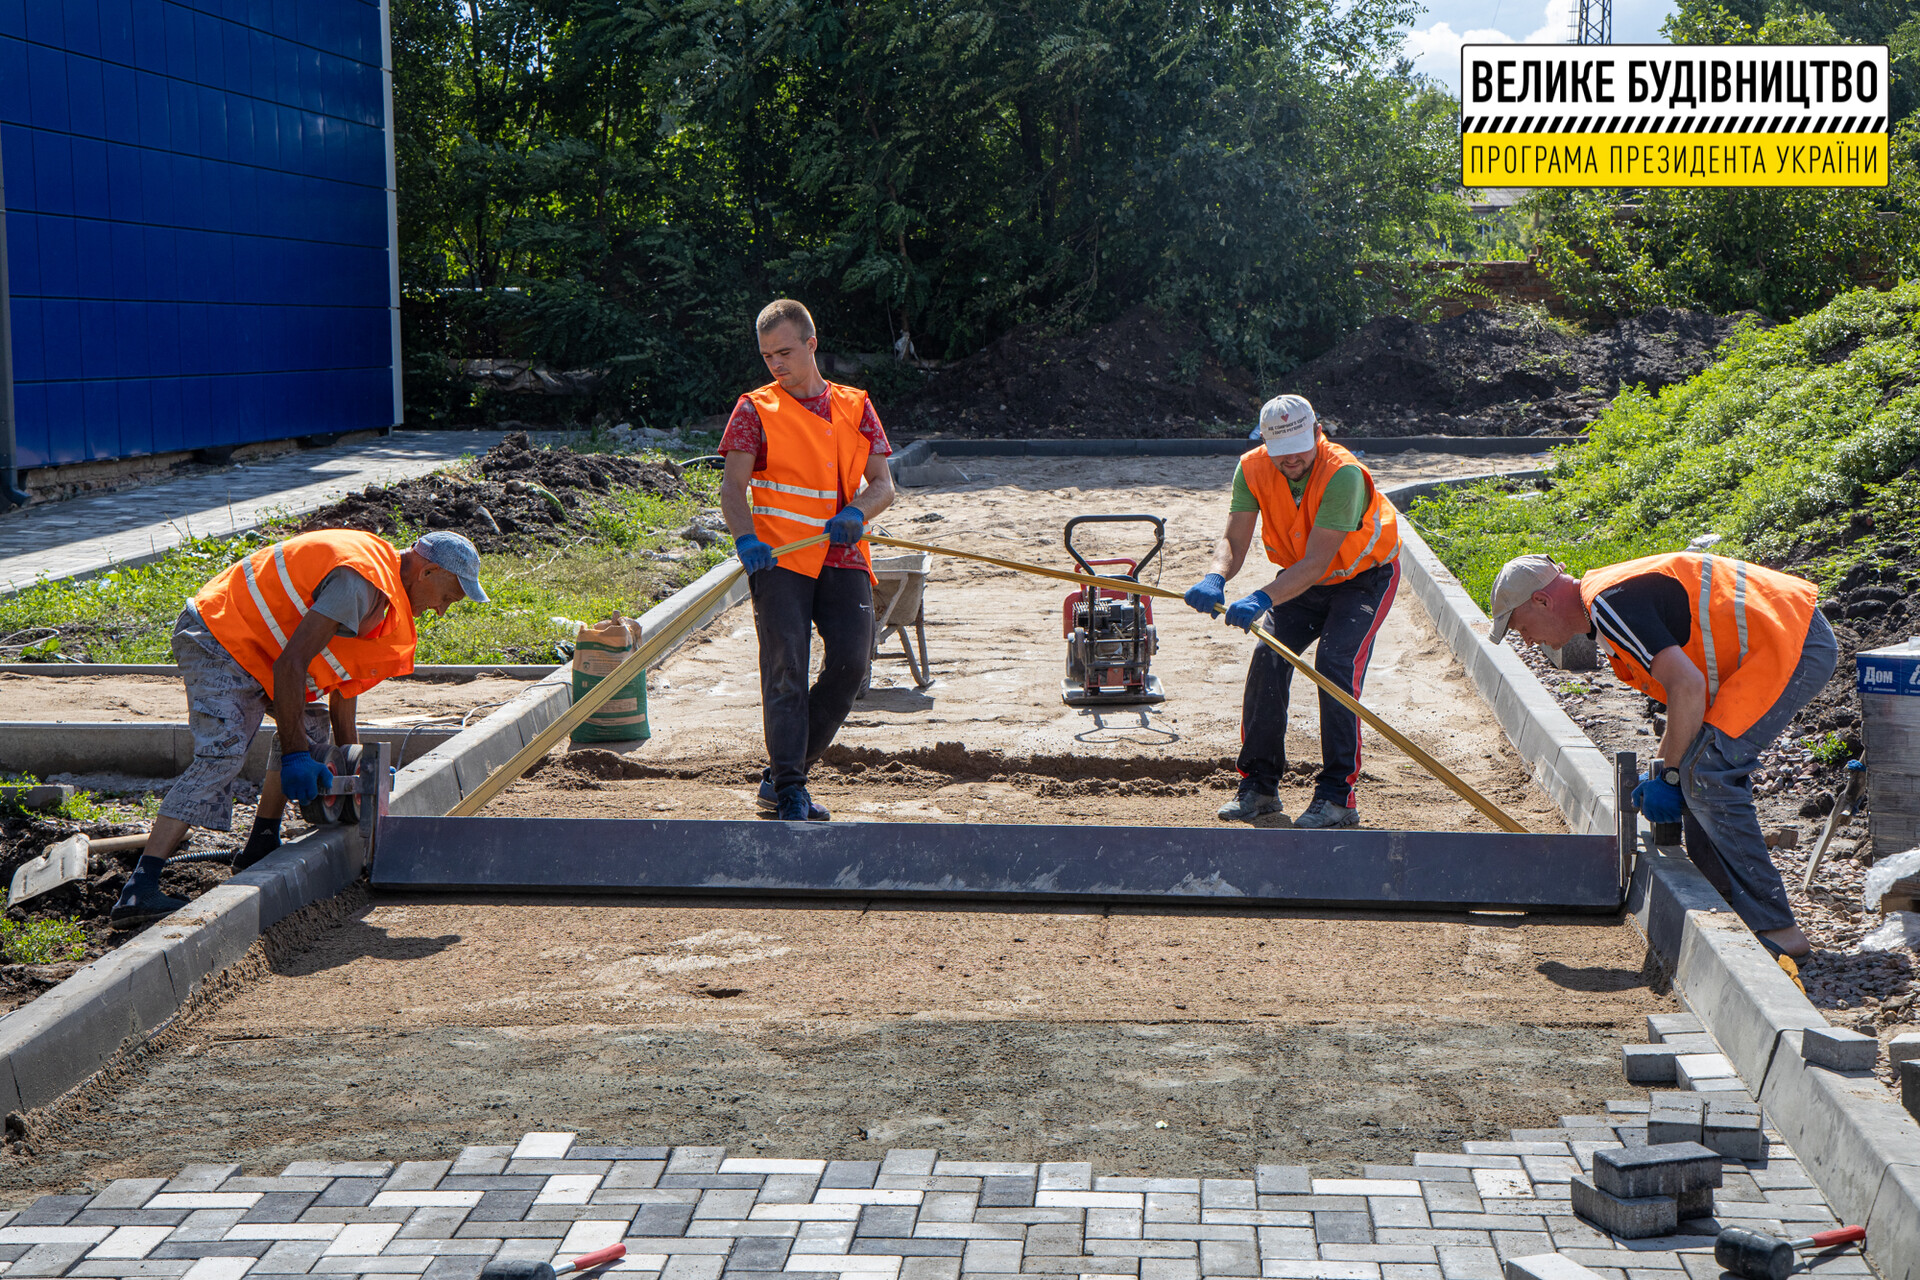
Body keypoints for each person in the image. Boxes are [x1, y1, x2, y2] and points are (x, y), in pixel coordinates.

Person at [113, 529, 487, 926]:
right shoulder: (358, 580)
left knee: (311, 731)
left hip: (261, 649)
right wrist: (294, 756)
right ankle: (140, 889)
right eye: (447, 597)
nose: (442, 610)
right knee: (223, 752)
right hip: (219, 635)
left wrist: (354, 772)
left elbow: (344, 690)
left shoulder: (384, 591)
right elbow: (290, 666)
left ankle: (260, 845)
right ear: (427, 572)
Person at [1487, 551, 1836, 959]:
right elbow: (1686, 694)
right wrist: (1668, 767)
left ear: (1542, 602)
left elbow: (1686, 687)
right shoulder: (1606, 598)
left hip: (1790, 640)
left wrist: (1669, 777)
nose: (1528, 640)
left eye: (1521, 626)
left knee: (1708, 773)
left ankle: (1778, 929)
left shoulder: (1609, 605)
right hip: (1781, 632)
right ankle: (1724, 903)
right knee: (1695, 765)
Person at [1184, 395, 1401, 830]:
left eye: (1301, 447)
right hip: (1301, 580)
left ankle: (1338, 797)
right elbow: (1234, 539)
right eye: (1281, 452)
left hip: (1362, 579)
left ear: (1317, 432)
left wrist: (1263, 597)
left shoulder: (1342, 474)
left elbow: (1318, 562)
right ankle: (1260, 788)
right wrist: (1215, 576)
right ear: (1265, 444)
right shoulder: (1252, 468)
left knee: (1335, 664)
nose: (1292, 459)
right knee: (1269, 659)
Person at [720, 299, 895, 822]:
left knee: (850, 664)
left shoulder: (856, 405)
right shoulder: (754, 409)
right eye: (767, 355)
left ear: (811, 344)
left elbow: (884, 485)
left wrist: (856, 512)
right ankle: (792, 788)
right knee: (786, 671)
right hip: (779, 559)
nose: (776, 363)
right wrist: (746, 539)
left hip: (842, 554)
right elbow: (733, 489)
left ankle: (778, 776)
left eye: (786, 351)